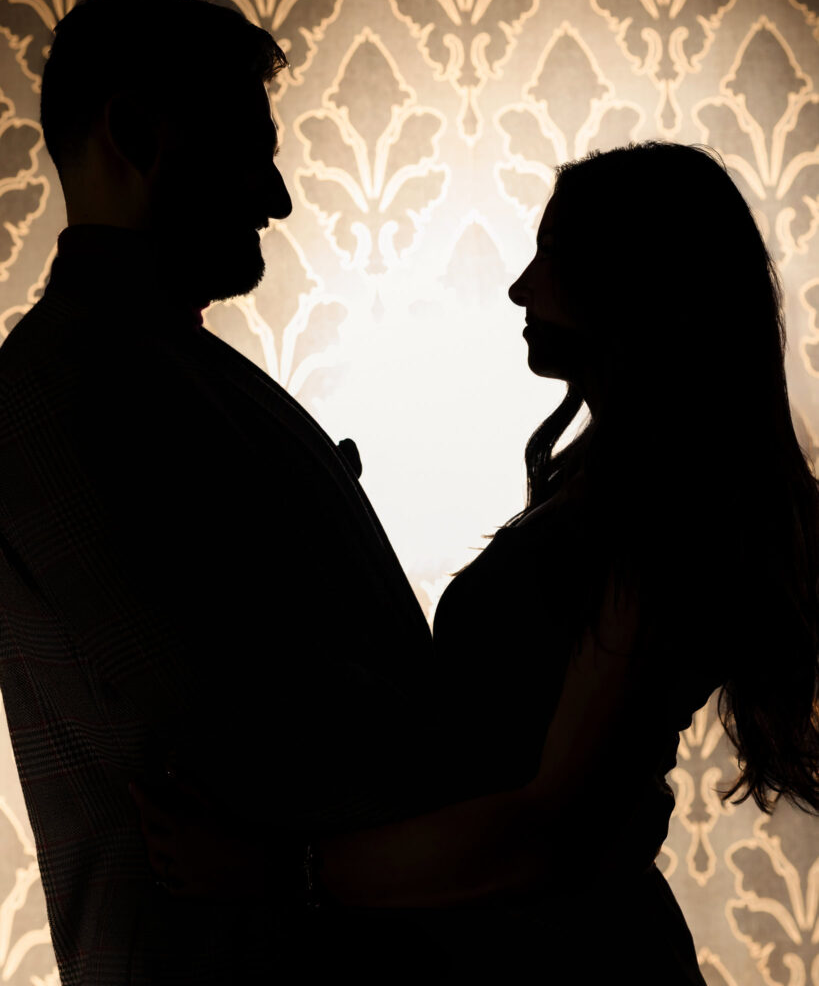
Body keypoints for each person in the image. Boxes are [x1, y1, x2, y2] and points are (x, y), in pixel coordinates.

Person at [133, 141, 819, 984]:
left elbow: (546, 832)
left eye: (552, 258)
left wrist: (276, 870)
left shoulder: (664, 515)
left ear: (636, 282)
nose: (518, 288)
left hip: (574, 959)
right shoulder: (605, 488)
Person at [0, 0, 456, 985]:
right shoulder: (61, 394)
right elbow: (237, 725)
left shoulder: (167, 368)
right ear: (135, 131)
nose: (278, 196)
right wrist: (499, 786)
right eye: (251, 148)